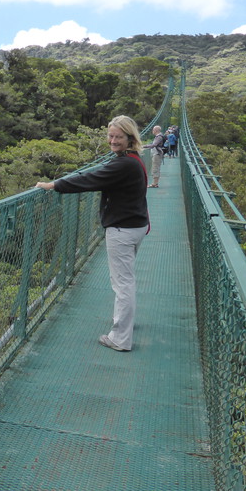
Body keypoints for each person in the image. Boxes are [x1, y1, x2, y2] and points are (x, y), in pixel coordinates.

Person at [35, 115, 149, 352]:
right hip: (134, 226)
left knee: (123, 284)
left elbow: (90, 179)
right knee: (125, 281)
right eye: (110, 136)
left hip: (122, 229)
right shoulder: (132, 159)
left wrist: (54, 185)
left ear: (130, 138)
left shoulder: (123, 164)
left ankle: (120, 338)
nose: (113, 141)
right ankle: (125, 325)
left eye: (119, 137)